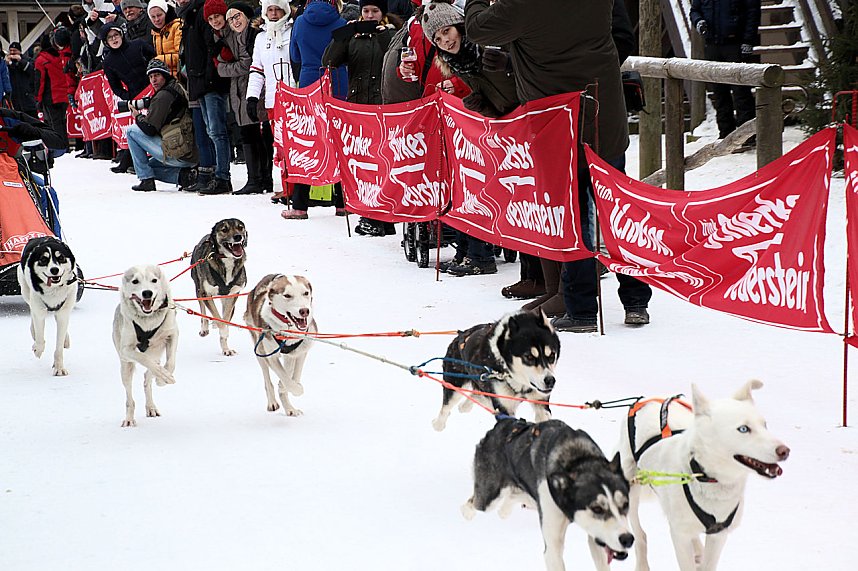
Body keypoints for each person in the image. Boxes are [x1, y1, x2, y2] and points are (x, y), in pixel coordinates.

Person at [465, 0, 652, 332]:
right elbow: (589, 37)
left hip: (559, 125)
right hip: (602, 114)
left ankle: (580, 308)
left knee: (574, 219)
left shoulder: (520, 7)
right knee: (617, 212)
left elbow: (478, 27)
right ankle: (636, 299)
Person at [419, 0, 520, 276]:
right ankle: (467, 250)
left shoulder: (485, 48)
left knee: (488, 187)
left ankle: (482, 253)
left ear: (460, 26)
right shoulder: (454, 60)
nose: (444, 40)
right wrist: (483, 103)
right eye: (437, 38)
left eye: (447, 31)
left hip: (517, 122)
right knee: (469, 185)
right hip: (490, 124)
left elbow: (512, 81)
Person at [321, 0, 400, 233]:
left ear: (383, 13)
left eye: (375, 11)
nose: (369, 15)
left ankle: (383, 216)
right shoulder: (354, 35)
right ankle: (368, 212)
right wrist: (344, 35)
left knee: (383, 162)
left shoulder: (393, 33)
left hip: (383, 105)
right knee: (364, 162)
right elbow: (329, 62)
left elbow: (398, 58)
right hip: (357, 106)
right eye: (366, 11)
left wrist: (384, 35)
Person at [288, 0, 349, 212]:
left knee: (308, 141)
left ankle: (299, 205)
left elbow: (294, 55)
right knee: (339, 141)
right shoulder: (341, 22)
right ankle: (342, 203)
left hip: (309, 81)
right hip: (337, 81)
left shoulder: (301, 22)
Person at [246, 0, 299, 203]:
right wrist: (252, 97)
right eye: (271, 9)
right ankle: (286, 186)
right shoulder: (260, 37)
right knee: (280, 146)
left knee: (295, 145)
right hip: (272, 101)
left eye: (278, 9)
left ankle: (297, 189)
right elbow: (257, 69)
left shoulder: (293, 31)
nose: (275, 13)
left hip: (294, 96)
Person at [178, 0, 233, 195]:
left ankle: (222, 177)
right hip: (198, 82)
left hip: (210, 82)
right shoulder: (188, 17)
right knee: (210, 131)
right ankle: (214, 176)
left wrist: (209, 77)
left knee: (217, 132)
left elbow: (212, 49)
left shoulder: (200, 12)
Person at [213, 2, 267, 195]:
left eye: (237, 16)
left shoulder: (253, 35)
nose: (234, 21)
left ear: (245, 16)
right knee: (251, 133)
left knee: (252, 133)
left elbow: (248, 64)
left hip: (252, 88)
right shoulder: (233, 36)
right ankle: (260, 178)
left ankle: (256, 179)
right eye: (231, 19)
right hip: (240, 89)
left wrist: (221, 68)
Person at [690, 0, 760, 139]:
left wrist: (748, 40)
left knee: (741, 91)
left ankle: (746, 136)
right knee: (719, 92)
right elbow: (694, 10)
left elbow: (753, 12)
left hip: (735, 43)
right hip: (712, 44)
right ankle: (725, 133)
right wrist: (699, 21)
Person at [126, 58, 199, 191]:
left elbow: (150, 129)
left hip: (181, 152)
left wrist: (138, 116)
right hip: (188, 149)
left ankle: (146, 180)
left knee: (131, 131)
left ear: (165, 75)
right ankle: (185, 177)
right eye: (151, 76)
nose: (154, 80)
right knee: (150, 166)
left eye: (157, 75)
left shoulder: (164, 96)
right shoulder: (175, 87)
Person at [100, 21, 156, 174]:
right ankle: (128, 161)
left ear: (122, 34)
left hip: (154, 89)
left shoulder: (137, 44)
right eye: (110, 37)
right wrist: (128, 97)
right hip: (135, 96)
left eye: (116, 35)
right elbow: (115, 86)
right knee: (136, 129)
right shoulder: (109, 61)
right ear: (106, 42)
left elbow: (155, 58)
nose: (114, 39)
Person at [148, 0, 183, 78]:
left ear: (166, 13)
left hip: (180, 76)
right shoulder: (155, 33)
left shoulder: (177, 26)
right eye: (153, 17)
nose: (157, 19)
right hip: (166, 76)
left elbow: (181, 56)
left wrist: (160, 59)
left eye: (159, 15)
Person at [5, 42, 38, 116]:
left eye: (15, 50)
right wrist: (7, 64)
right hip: (15, 99)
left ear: (19, 51)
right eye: (11, 50)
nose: (12, 53)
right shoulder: (7, 63)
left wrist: (20, 61)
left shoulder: (28, 60)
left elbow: (32, 71)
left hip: (28, 99)